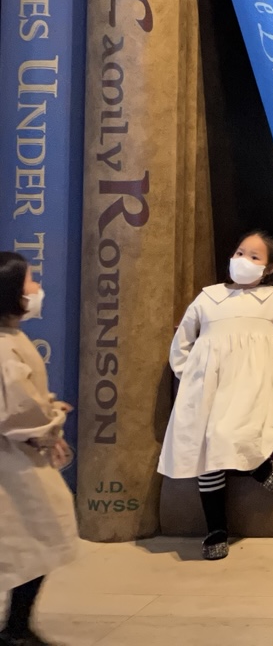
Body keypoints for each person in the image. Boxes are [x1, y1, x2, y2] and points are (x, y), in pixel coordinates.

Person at [158, 230, 273, 561]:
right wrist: (188, 373)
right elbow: (184, 338)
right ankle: (216, 528)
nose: (243, 260)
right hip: (205, 384)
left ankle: (256, 467)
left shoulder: (271, 297)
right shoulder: (208, 297)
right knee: (206, 451)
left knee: (227, 433)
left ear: (269, 268)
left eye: (254, 257)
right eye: (240, 253)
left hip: (246, 383)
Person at [0, 250, 77, 646]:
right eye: (30, 280)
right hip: (14, 466)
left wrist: (47, 409)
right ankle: (16, 629)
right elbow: (16, 411)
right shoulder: (4, 347)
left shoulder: (13, 338)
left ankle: (17, 626)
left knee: (34, 540)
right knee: (30, 538)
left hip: (21, 459)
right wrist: (48, 425)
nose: (37, 287)